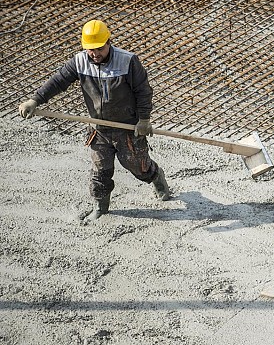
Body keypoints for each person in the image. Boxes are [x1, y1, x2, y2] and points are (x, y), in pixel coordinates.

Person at [18, 19, 170, 221]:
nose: (95, 54)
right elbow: (58, 81)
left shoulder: (128, 61)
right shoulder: (80, 61)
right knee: (100, 171)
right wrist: (35, 100)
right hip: (99, 130)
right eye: (90, 49)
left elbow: (143, 91)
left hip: (127, 128)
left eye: (99, 48)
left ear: (109, 42)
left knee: (138, 167)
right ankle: (100, 207)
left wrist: (144, 120)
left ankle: (156, 177)